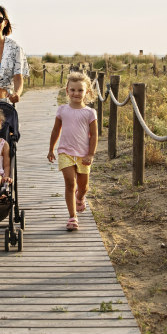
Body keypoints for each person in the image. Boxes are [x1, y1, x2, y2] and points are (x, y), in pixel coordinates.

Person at [47, 72, 98, 231]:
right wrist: (51, 149)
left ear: (87, 92)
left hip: (83, 154)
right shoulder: (62, 110)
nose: (76, 93)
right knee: (70, 184)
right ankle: (72, 217)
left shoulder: (90, 113)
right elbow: (56, 130)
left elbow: (94, 134)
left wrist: (90, 154)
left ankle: (80, 197)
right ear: (67, 91)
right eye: (73, 90)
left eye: (80, 90)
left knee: (83, 187)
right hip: (65, 152)